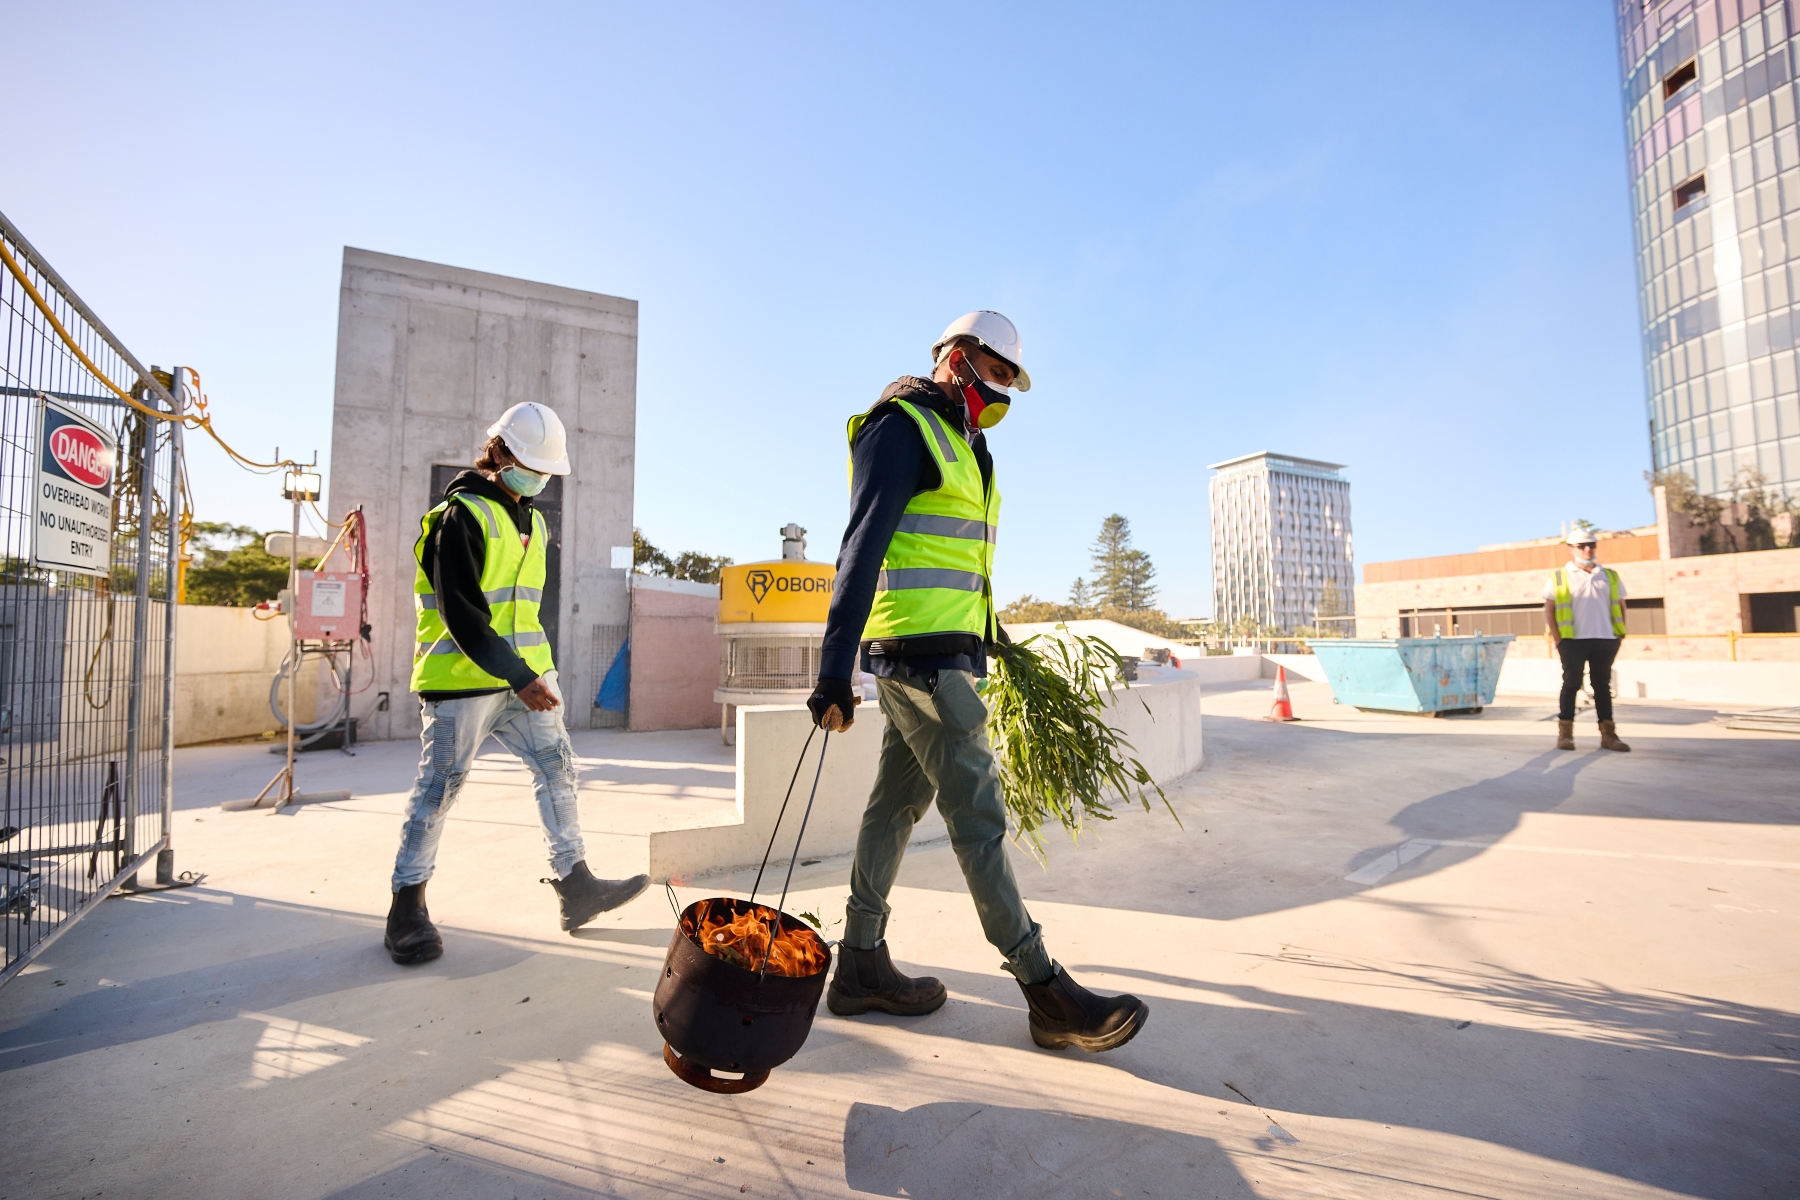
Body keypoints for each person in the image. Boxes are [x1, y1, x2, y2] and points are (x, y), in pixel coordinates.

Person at [806, 311, 1148, 1053]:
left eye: (1009, 383)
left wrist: (995, 637)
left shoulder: (972, 447)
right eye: (995, 375)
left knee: (895, 805)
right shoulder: (901, 427)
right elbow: (860, 547)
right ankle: (1043, 988)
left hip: (947, 650)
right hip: (920, 657)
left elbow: (961, 564)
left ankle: (860, 961)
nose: (1001, 393)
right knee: (979, 817)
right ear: (957, 360)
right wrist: (834, 671)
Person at [384, 402, 648, 965]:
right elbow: (461, 612)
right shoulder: (460, 518)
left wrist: (534, 672)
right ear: (498, 454)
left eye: (547, 470)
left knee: (558, 768)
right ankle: (406, 908)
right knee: (440, 788)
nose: (539, 478)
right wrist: (520, 675)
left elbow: (524, 610)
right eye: (531, 465)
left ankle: (576, 887)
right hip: (463, 680)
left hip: (525, 677)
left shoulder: (534, 519)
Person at [1543, 526, 1632, 753]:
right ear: (1571, 549)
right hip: (1573, 640)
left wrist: (1619, 634)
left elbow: (1621, 606)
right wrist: (1558, 639)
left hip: (1605, 639)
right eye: (1581, 546)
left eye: (1591, 545)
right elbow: (1549, 609)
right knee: (1571, 684)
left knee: (1602, 686)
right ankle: (1565, 735)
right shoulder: (1559, 577)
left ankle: (1609, 735)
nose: (1587, 549)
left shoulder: (1609, 575)